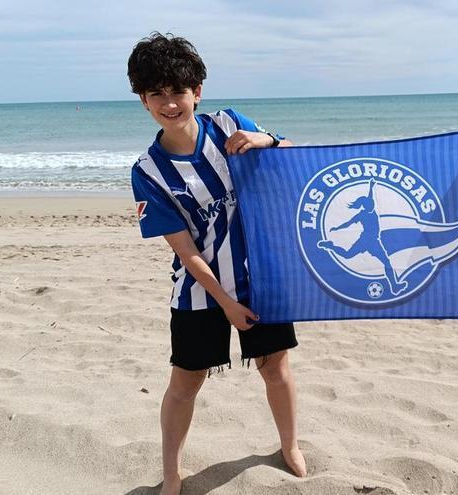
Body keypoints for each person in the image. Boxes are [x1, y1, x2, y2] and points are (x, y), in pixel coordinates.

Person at [127, 32, 306, 495]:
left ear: (197, 91)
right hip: (200, 290)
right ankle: (172, 472)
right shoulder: (147, 171)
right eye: (157, 94)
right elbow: (185, 250)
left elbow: (295, 157)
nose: (170, 104)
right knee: (186, 383)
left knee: (275, 368)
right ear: (143, 99)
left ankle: (289, 446)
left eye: (178, 91)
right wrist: (225, 301)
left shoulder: (228, 124)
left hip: (262, 278)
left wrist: (265, 138)